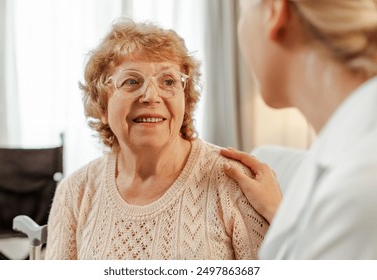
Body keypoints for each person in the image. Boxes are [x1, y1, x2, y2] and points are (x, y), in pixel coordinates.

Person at [45, 19, 268, 260]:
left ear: (186, 100)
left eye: (168, 81)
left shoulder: (234, 182)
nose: (151, 97)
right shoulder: (75, 191)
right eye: (131, 81)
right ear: (102, 105)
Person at [221, 0, 377, 259]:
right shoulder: (343, 153)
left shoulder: (359, 190)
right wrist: (278, 211)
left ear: (274, 11)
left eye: (242, 13)